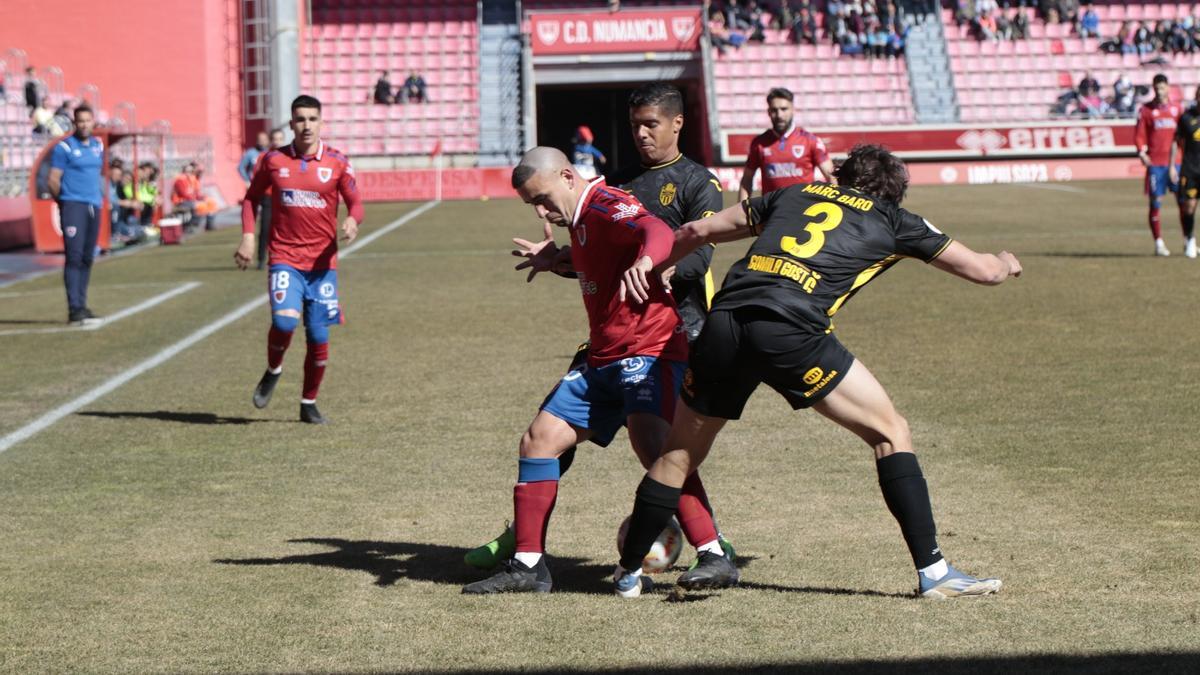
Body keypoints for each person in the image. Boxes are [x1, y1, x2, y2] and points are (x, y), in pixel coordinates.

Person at [612, 144, 1021, 599]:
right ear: (893, 194)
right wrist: (1005, 261)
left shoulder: (795, 193)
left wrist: (658, 266)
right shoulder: (894, 219)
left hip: (723, 324)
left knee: (677, 455)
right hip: (789, 327)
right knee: (891, 433)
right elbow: (985, 272)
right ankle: (934, 573)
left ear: (840, 178)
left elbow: (695, 229)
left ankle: (627, 576)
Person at [464, 83, 734, 576]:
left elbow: (656, 231)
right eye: (533, 206)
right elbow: (604, 261)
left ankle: (714, 552)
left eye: (544, 200)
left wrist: (654, 261)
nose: (543, 212)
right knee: (540, 440)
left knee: (656, 448)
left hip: (656, 341)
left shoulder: (614, 198)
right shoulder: (590, 205)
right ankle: (527, 561)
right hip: (607, 347)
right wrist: (561, 259)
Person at [235, 95, 363, 424]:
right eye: (300, 119)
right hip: (285, 258)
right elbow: (251, 199)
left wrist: (351, 221)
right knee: (284, 322)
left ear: (322, 123)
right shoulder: (273, 160)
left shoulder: (336, 162)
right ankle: (274, 369)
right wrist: (249, 236)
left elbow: (356, 203)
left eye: (312, 119)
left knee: (318, 337)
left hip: (322, 267)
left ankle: (308, 402)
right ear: (291, 124)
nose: (307, 125)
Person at [48, 105, 104, 325]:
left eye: (88, 120)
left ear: (93, 122)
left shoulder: (98, 146)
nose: (84, 124)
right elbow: (53, 179)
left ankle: (82, 304)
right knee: (74, 256)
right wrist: (64, 202)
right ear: (74, 123)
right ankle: (74, 308)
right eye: (80, 121)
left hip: (93, 204)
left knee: (87, 257)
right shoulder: (64, 147)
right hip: (73, 205)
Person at [740, 88, 835, 201]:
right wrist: (743, 210)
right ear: (769, 112)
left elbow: (831, 177)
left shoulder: (811, 141)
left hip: (804, 211)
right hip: (771, 212)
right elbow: (747, 179)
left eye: (784, 109)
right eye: (774, 110)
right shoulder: (759, 143)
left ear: (793, 110)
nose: (779, 115)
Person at [1135, 74, 1184, 257]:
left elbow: (1184, 134)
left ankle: (1188, 240)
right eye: (1156, 88)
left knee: (1184, 203)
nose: (1159, 91)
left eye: (1162, 87)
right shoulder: (1146, 110)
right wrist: (1141, 152)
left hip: (1176, 163)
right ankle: (1159, 243)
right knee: (1155, 203)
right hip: (1156, 164)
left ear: (1168, 88)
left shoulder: (1177, 109)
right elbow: (1140, 133)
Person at [1169, 85, 1200, 259]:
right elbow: (1175, 141)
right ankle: (1190, 240)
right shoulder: (1186, 118)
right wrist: (1173, 165)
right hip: (1191, 169)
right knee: (1189, 207)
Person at [253, 128, 287, 270]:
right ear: (270, 140)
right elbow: (257, 175)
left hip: (285, 197)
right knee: (266, 229)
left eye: (280, 139)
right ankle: (261, 259)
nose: (277, 142)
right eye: (275, 139)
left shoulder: (290, 156)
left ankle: (282, 258)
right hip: (268, 197)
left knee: (285, 229)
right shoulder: (264, 156)